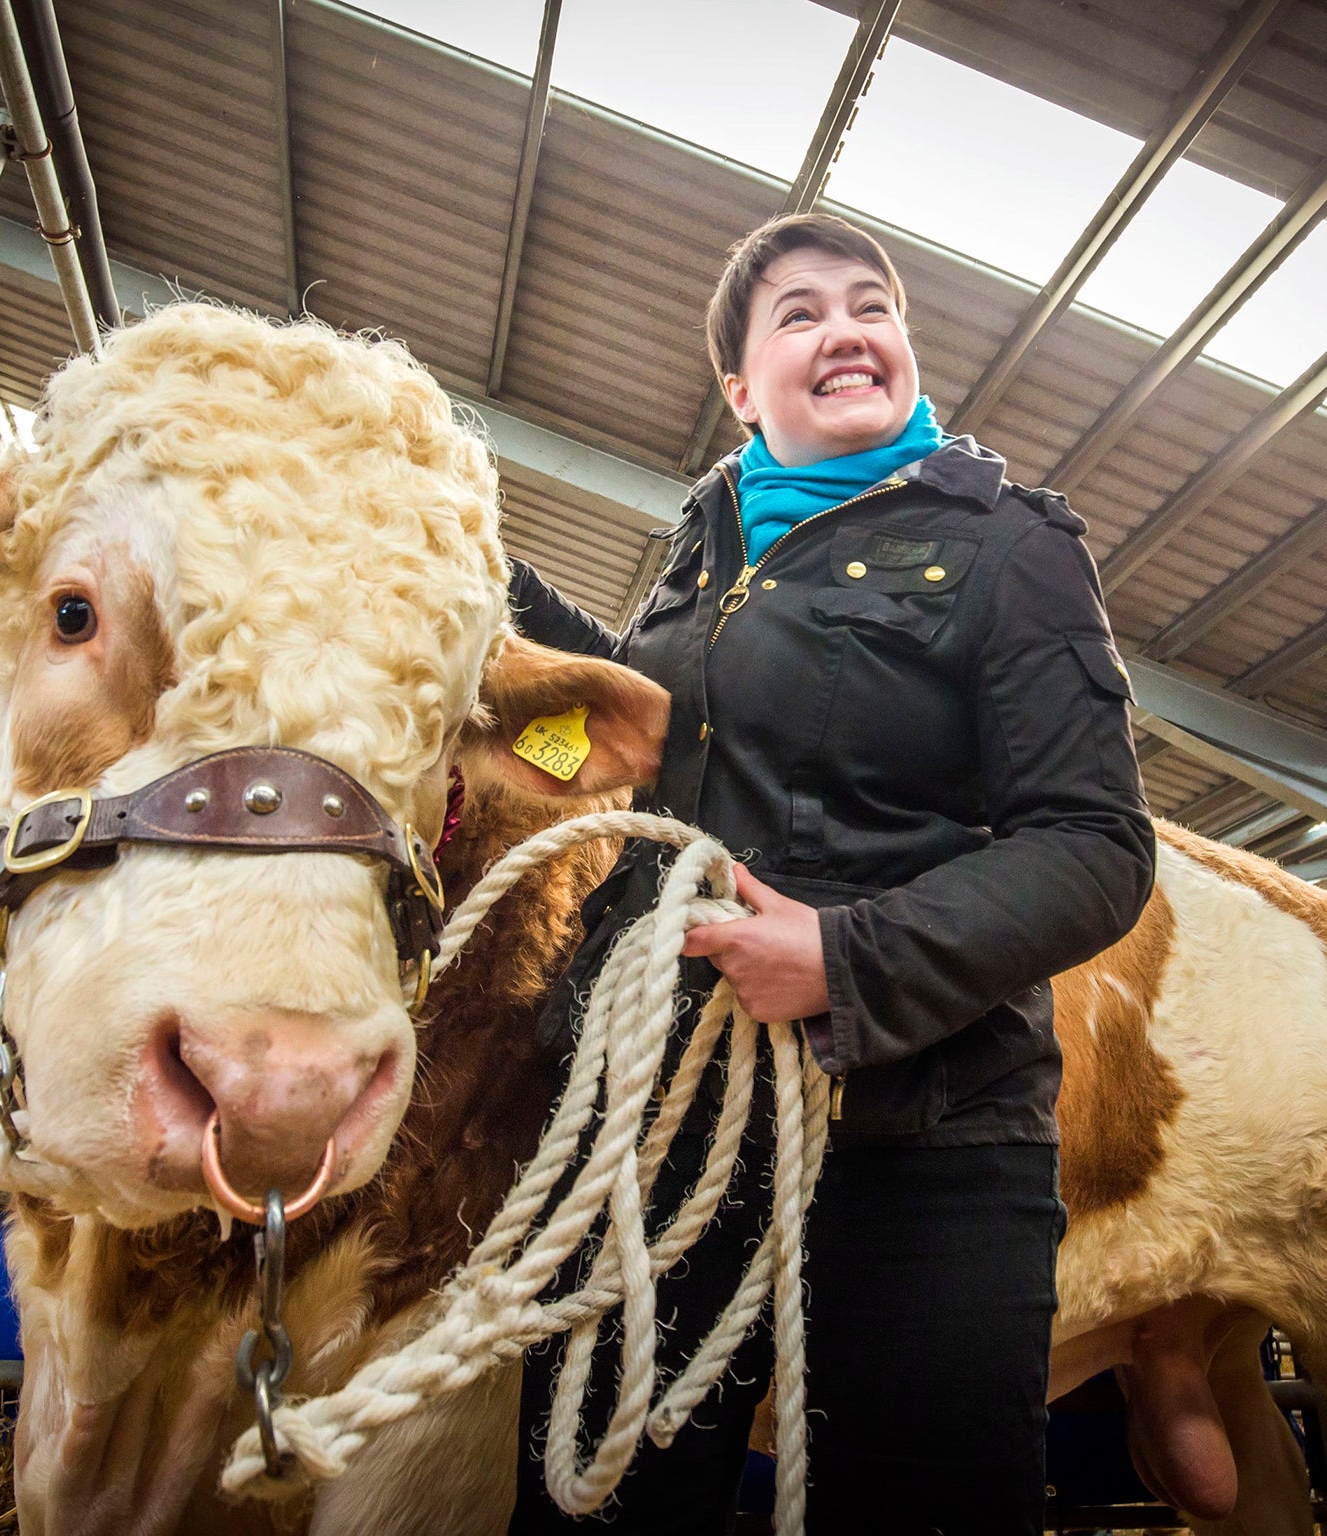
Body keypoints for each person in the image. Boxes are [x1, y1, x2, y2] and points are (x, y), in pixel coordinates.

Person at [503, 213, 1154, 1535]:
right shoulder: (707, 555)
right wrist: (476, 574)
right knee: (600, 1502)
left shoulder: (1008, 546)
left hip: (926, 1137)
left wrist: (844, 960)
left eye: (872, 305)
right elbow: (652, 726)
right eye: (798, 313)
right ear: (744, 391)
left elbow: (1095, 848)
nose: (847, 328)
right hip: (682, 1129)